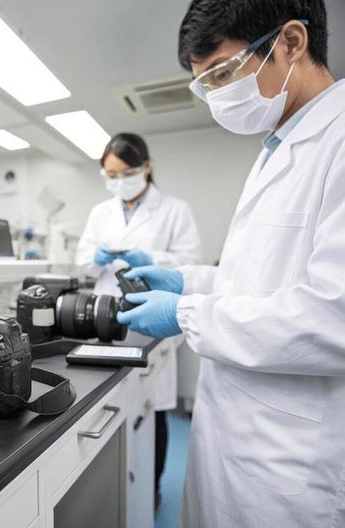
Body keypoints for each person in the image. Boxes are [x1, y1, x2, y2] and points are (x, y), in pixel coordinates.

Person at [116, 2, 345, 526]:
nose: (217, 96)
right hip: (237, 431)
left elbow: (335, 317)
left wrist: (187, 312)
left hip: (289, 459)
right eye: (205, 85)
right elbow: (261, 280)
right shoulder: (276, 148)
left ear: (291, 42)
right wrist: (188, 281)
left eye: (222, 73)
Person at [76, 132, 202, 508]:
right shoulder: (100, 212)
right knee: (107, 404)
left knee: (152, 410)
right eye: (111, 175)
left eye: (127, 173)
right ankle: (114, 489)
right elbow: (82, 260)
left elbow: (190, 263)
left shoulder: (175, 209)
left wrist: (151, 258)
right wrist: (96, 257)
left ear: (146, 167)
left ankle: (152, 490)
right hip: (106, 316)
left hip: (153, 317)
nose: (119, 182)